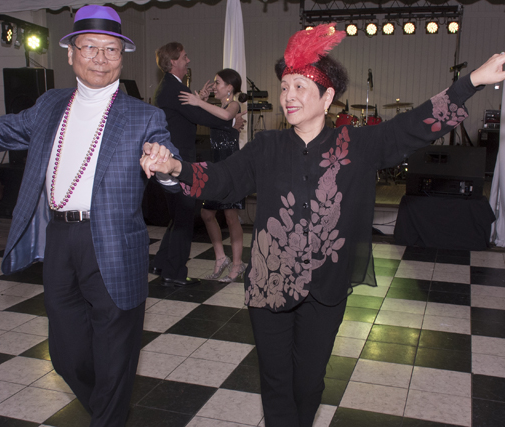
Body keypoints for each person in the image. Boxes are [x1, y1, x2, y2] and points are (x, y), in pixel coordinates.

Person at [140, 25, 505, 427]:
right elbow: (223, 179)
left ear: (328, 97)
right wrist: (174, 167)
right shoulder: (267, 147)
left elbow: (414, 126)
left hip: (326, 286)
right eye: (285, 87)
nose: (288, 96)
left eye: (300, 86)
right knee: (276, 382)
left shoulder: (357, 145)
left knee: (310, 382)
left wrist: (471, 82)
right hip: (269, 285)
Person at [0, 5, 178, 427]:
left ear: (121, 56)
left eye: (111, 50)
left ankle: (108, 418)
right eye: (90, 48)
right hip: (61, 239)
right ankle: (112, 413)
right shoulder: (50, 105)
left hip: (114, 242)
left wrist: (166, 163)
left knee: (115, 359)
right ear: (70, 54)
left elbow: (167, 154)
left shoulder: (144, 115)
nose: (101, 58)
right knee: (66, 355)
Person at [151, 42, 244, 287]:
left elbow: (191, 113)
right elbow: (199, 116)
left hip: (174, 158)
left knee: (178, 215)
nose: (188, 60)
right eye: (184, 56)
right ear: (173, 62)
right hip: (178, 161)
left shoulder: (172, 87)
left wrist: (199, 99)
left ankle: (162, 261)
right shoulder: (174, 89)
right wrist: (230, 125)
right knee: (183, 217)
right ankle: (174, 272)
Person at [178, 68, 248, 282]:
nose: (215, 85)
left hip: (231, 168)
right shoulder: (217, 108)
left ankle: (237, 264)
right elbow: (200, 115)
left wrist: (199, 102)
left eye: (218, 83)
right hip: (216, 168)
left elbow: (227, 115)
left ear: (230, 87)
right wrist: (200, 97)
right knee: (207, 214)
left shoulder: (234, 105)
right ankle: (220, 258)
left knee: (230, 216)